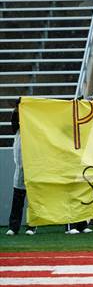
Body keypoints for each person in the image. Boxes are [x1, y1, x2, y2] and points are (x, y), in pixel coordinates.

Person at [5, 98, 37, 236]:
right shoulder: (17, 120)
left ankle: (32, 225)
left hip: (34, 166)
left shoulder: (35, 123)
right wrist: (18, 110)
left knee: (33, 199)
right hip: (20, 166)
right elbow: (14, 126)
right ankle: (14, 226)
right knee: (18, 197)